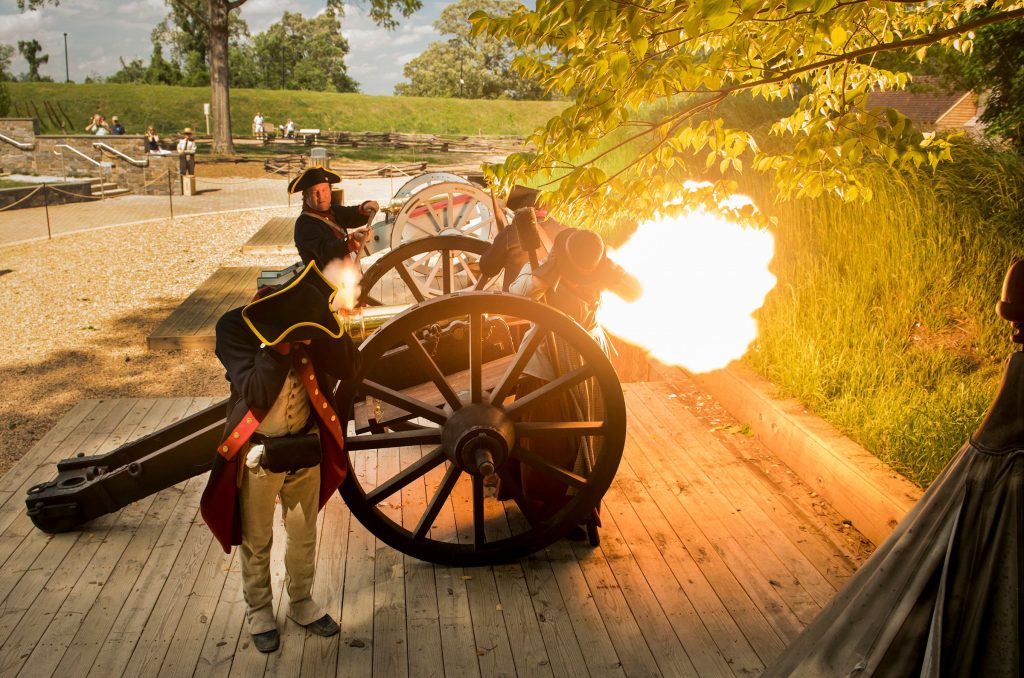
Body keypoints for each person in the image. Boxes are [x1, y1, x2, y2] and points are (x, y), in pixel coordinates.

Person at [200, 260, 360, 653]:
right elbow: (255, 392)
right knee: (257, 540)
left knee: (304, 535)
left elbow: (349, 366)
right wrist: (279, 346)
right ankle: (259, 611)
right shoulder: (233, 329)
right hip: (258, 454)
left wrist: (324, 328)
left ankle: (302, 602)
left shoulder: (310, 327)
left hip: (305, 447)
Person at [500, 215, 641, 540]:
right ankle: (546, 507)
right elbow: (515, 297)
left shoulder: (600, 266)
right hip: (545, 360)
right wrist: (543, 277)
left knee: (585, 435)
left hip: (587, 361)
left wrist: (613, 271)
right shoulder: (547, 266)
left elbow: (636, 292)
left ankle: (578, 504)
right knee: (546, 439)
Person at [291, 167, 378, 271]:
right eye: (315, 192)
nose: (321, 196)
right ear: (305, 195)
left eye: (324, 190)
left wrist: (365, 207)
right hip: (326, 283)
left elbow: (352, 215)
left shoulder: (333, 210)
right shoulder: (304, 224)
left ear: (330, 190)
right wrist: (352, 239)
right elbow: (327, 251)